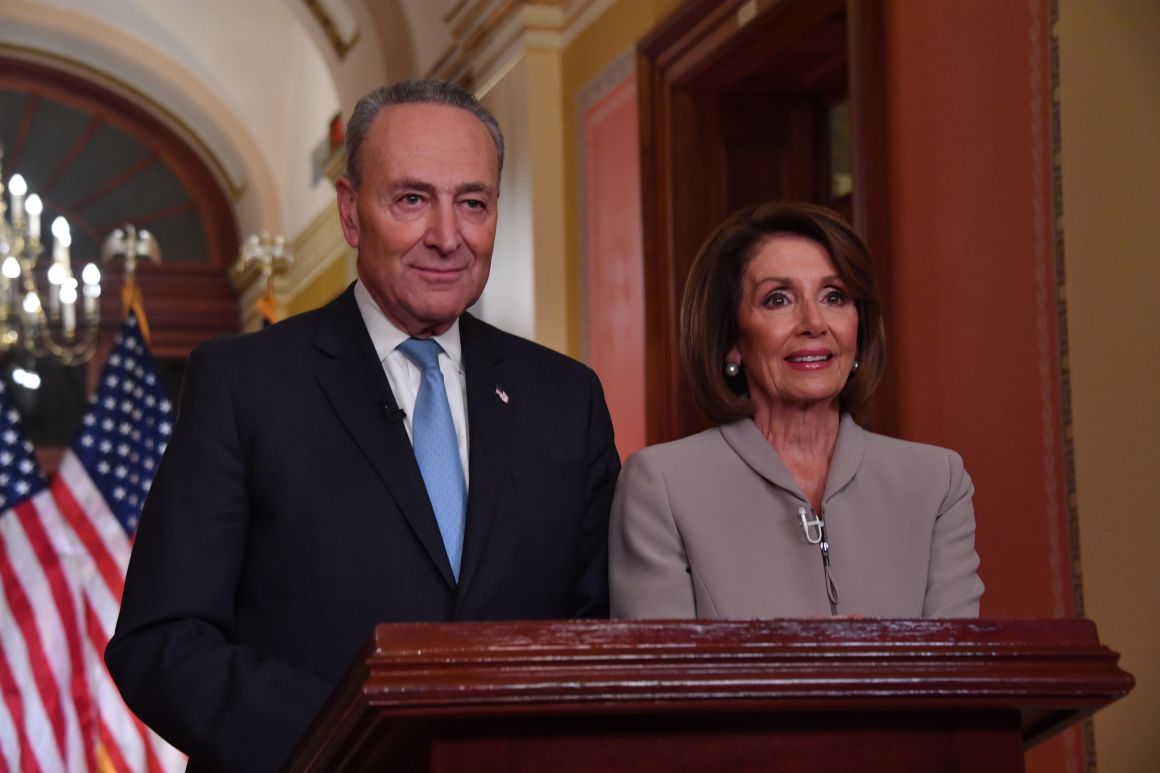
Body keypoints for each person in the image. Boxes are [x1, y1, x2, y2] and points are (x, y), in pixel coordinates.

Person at [106, 80, 620, 772]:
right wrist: (356, 740)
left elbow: (599, 637)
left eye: (472, 202)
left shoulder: (567, 398)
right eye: (411, 199)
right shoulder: (244, 385)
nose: (446, 236)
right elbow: (162, 640)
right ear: (351, 214)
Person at [610, 202, 982, 620]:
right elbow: (665, 680)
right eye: (778, 299)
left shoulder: (937, 483)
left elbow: (952, 677)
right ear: (732, 339)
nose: (813, 322)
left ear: (858, 329)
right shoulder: (662, 486)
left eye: (834, 296)